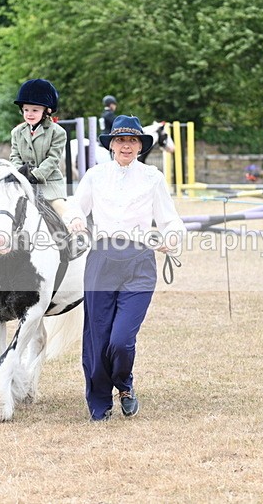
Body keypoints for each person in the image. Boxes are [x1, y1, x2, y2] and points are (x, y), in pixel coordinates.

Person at [68, 115, 186, 421]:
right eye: (121, 140)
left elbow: (170, 218)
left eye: (132, 141)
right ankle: (99, 401)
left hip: (140, 262)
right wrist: (77, 219)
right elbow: (75, 205)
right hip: (102, 260)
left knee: (121, 339)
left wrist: (171, 236)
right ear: (111, 145)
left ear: (139, 146)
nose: (126, 146)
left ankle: (124, 383)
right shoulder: (94, 176)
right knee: (98, 336)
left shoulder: (152, 178)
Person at [10, 78, 70, 221]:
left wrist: (35, 175)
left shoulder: (58, 132)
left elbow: (53, 159)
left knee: (64, 213)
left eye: (35, 110)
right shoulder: (16, 132)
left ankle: (76, 239)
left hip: (49, 184)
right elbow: (14, 156)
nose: (29, 114)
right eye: (26, 110)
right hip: (23, 183)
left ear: (46, 111)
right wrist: (21, 174)